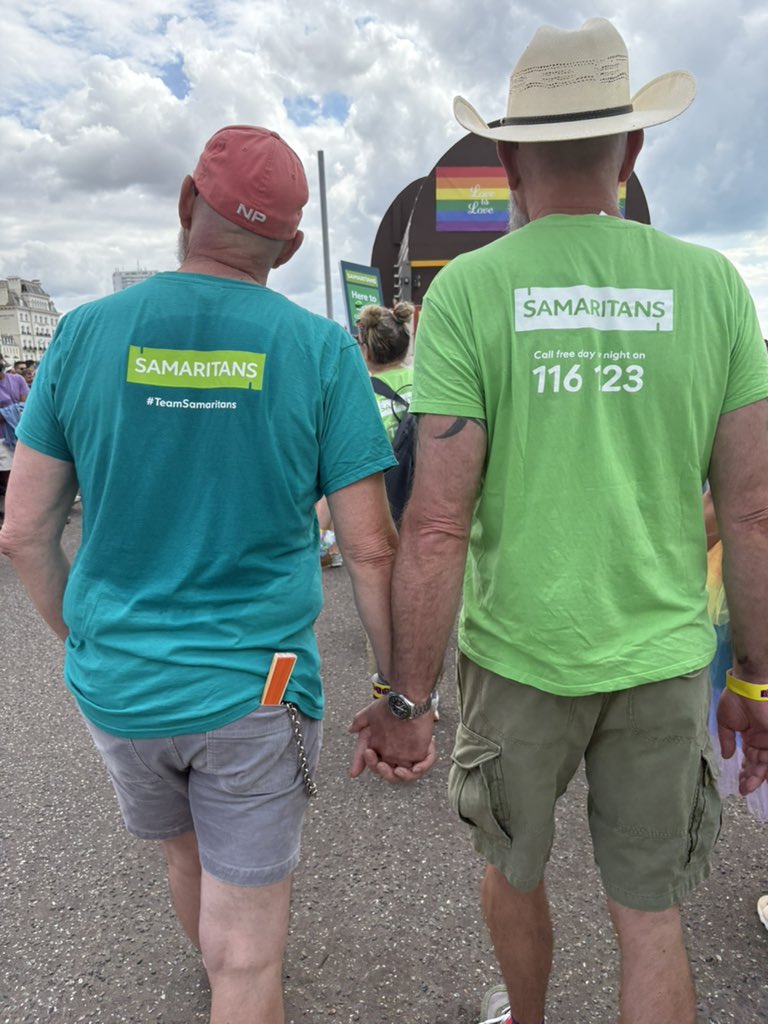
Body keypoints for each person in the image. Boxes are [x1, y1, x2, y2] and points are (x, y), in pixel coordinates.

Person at [350, 17, 768, 1024]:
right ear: (631, 150)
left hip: (520, 660)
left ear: (505, 160)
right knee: (651, 915)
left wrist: (407, 703)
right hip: (664, 658)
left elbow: (438, 525)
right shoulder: (713, 286)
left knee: (514, 869)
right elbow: (753, 510)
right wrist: (752, 677)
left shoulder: (471, 295)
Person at [0, 125, 404, 1024]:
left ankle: (220, 977)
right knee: (252, 957)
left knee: (185, 857)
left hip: (119, 687)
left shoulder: (83, 335)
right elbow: (371, 550)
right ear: (292, 247)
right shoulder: (321, 351)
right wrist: (398, 691)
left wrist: (87, 634)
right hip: (255, 686)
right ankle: (239, 983)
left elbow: (25, 531)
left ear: (187, 204)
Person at [0, 355, 29, 513]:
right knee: (10, 480)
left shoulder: (18, 380)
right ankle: (19, 514)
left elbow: (27, 405)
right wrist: (14, 408)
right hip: (2, 440)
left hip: (23, 435)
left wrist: (4, 414)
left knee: (30, 475)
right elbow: (20, 406)